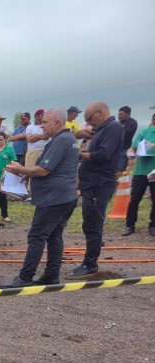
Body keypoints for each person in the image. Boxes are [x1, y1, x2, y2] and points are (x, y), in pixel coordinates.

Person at [0, 108, 79, 288]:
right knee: (54, 236)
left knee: (36, 236)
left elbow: (44, 170)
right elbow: (52, 168)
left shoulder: (60, 141)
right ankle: (51, 275)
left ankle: (25, 277)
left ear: (57, 123)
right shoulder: (69, 140)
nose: (42, 126)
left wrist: (21, 169)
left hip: (54, 199)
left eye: (45, 122)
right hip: (66, 197)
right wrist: (28, 174)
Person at [67, 101, 123, 278]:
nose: (89, 124)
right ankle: (88, 262)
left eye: (89, 119)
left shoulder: (113, 128)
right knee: (89, 222)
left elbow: (103, 155)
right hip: (92, 183)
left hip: (100, 183)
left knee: (93, 223)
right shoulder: (102, 130)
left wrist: (79, 155)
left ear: (100, 113)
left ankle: (90, 264)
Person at [121, 112, 155, 237]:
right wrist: (130, 154)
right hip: (140, 171)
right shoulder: (144, 133)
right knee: (134, 199)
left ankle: (153, 225)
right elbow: (132, 148)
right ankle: (130, 225)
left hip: (154, 172)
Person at [117, 106, 138, 173]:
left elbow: (125, 133)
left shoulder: (132, 123)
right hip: (115, 150)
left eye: (121, 114)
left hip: (124, 150)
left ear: (128, 114)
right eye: (119, 114)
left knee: (120, 170)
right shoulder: (119, 123)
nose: (119, 116)